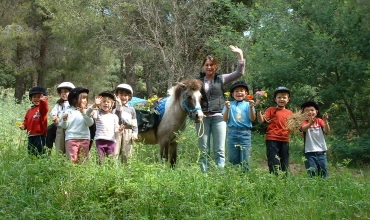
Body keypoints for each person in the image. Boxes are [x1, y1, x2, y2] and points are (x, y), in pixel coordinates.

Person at [196, 45, 245, 172]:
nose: (209, 67)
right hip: (203, 118)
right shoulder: (198, 81)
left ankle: (220, 176)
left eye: (212, 65)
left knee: (219, 149)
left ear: (215, 66)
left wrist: (240, 54)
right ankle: (204, 175)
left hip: (219, 117)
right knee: (203, 149)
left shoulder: (221, 78)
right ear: (203, 66)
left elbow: (239, 73)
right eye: (207, 64)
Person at [257, 86, 293, 175]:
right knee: (273, 160)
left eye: (284, 97)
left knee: (284, 160)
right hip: (272, 139)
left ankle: (285, 179)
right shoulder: (271, 110)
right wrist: (258, 110)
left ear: (288, 99)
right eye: (279, 97)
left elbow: (294, 127)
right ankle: (274, 178)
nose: (281, 99)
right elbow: (261, 120)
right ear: (275, 99)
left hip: (285, 139)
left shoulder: (290, 113)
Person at [222, 81, 256, 171]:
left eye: (242, 90)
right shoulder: (229, 104)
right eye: (236, 91)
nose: (239, 93)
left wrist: (252, 107)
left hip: (245, 133)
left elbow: (252, 119)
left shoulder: (248, 104)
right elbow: (225, 119)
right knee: (233, 158)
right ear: (232, 94)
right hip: (232, 132)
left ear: (246, 93)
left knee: (245, 158)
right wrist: (227, 109)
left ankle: (245, 178)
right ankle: (234, 178)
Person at [86, 91, 124, 164]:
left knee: (111, 161)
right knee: (100, 161)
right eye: (103, 101)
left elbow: (116, 129)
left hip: (111, 141)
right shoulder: (97, 113)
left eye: (108, 102)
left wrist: (120, 129)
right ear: (100, 103)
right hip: (100, 140)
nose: (106, 103)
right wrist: (94, 105)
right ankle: (100, 173)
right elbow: (87, 113)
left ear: (112, 104)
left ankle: (110, 174)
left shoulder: (114, 116)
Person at [61, 87, 94, 163]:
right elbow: (64, 126)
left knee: (84, 160)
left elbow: (90, 123)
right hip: (71, 138)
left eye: (86, 98)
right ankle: (73, 173)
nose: (85, 101)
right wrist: (64, 120)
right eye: (83, 98)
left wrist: (84, 113)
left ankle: (83, 174)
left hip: (85, 138)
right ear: (74, 100)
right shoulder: (69, 111)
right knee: (72, 159)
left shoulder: (87, 111)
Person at [300, 101, 330, 178]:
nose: (310, 112)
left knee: (324, 171)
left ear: (316, 112)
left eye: (312, 110)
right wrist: (310, 124)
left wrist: (325, 121)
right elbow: (303, 129)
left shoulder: (319, 121)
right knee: (312, 171)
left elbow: (327, 131)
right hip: (309, 152)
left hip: (321, 151)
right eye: (307, 111)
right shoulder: (304, 122)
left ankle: (323, 187)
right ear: (303, 113)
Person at [19, 86, 49, 157]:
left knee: (41, 152)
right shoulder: (29, 111)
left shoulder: (41, 109)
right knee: (31, 152)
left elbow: (45, 108)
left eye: (39, 97)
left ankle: (43, 164)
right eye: (34, 97)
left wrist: (43, 101)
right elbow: (26, 120)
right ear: (30, 98)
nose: (36, 99)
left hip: (40, 135)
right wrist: (24, 126)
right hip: (31, 135)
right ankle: (32, 163)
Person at [47, 82, 75, 154]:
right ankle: (54, 155)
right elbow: (54, 111)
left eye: (66, 92)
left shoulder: (73, 104)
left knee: (69, 146)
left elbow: (69, 113)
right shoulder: (59, 103)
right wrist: (54, 116)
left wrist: (60, 118)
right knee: (59, 144)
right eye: (61, 92)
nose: (63, 94)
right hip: (60, 127)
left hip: (70, 128)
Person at [113, 84, 138, 163]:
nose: (123, 97)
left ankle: (127, 171)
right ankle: (113, 170)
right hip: (116, 131)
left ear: (129, 97)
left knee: (127, 153)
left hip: (128, 131)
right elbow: (116, 119)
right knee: (115, 152)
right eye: (121, 94)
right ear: (116, 95)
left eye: (126, 95)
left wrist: (135, 133)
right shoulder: (112, 107)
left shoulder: (131, 109)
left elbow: (134, 123)